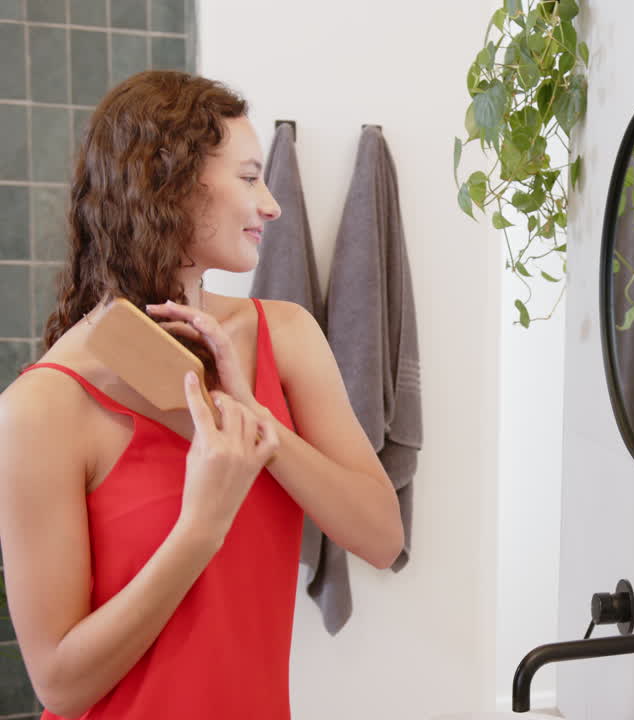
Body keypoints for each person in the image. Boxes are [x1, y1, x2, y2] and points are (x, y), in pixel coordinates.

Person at [0, 71, 404, 718]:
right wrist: (201, 527)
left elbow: (383, 538)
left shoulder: (287, 338)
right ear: (170, 184)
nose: (271, 205)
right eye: (248, 177)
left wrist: (263, 434)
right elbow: (60, 685)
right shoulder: (44, 406)